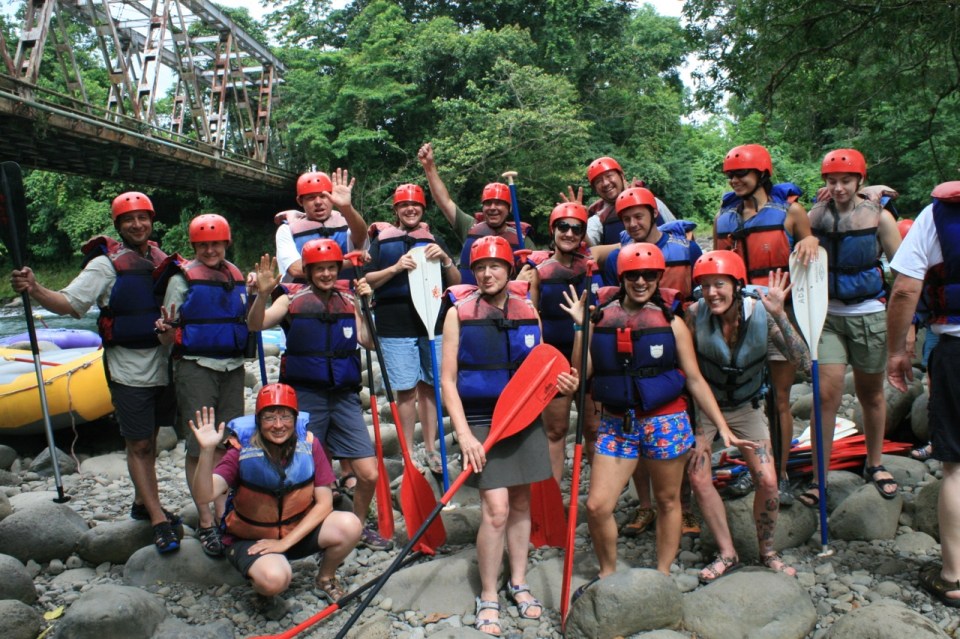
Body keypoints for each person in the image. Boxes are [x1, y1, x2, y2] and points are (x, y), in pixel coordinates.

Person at [559, 243, 751, 599]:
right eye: (634, 275)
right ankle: (608, 574)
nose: (641, 281)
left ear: (659, 277)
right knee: (597, 505)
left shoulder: (673, 322)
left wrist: (721, 426)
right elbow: (583, 372)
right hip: (617, 423)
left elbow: (693, 379)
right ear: (623, 278)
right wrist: (580, 328)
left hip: (666, 420)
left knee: (668, 501)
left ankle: (662, 575)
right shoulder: (599, 318)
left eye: (649, 275)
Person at [9, 191, 181, 553]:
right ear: (118, 226)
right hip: (127, 368)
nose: (137, 225)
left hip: (163, 366)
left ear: (152, 221)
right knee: (139, 443)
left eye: (142, 218)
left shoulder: (163, 261)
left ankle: (141, 502)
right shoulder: (105, 265)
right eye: (128, 220)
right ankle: (158, 519)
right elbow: (71, 304)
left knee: (149, 439)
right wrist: (35, 288)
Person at [440, 235, 578, 636]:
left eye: (495, 266)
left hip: (522, 416)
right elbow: (448, 382)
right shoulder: (459, 313)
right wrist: (464, 436)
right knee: (496, 509)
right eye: (480, 267)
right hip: (481, 420)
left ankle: (518, 581)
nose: (487, 273)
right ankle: (488, 593)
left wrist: (562, 385)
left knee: (520, 503)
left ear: (508, 270)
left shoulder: (527, 311)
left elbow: (541, 372)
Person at [247, 240, 393, 551]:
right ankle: (305, 525)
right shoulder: (291, 300)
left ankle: (356, 523)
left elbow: (367, 342)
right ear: (309, 271)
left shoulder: (348, 299)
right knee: (307, 471)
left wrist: (366, 307)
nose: (326, 274)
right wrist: (261, 295)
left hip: (344, 397)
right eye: (319, 268)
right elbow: (256, 324)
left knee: (368, 472)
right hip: (305, 397)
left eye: (331, 268)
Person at [684, 251, 811, 581]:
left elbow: (804, 363)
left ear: (737, 286)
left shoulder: (762, 315)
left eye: (720, 284)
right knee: (698, 477)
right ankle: (727, 552)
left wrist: (781, 315)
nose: (712, 292)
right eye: (706, 285)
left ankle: (767, 550)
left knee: (768, 481)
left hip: (746, 405)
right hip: (707, 407)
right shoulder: (694, 315)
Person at [188, 383, 362, 613]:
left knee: (350, 524)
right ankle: (263, 588)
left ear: (295, 418)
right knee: (275, 581)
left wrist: (284, 543)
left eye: (285, 417)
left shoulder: (310, 445)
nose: (278, 425)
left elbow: (325, 503)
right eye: (269, 418)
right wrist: (207, 451)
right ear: (259, 421)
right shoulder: (241, 450)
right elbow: (204, 495)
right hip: (251, 540)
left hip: (294, 532)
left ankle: (325, 578)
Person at [589, 187, 702, 537]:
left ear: (654, 214)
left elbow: (700, 287)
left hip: (672, 334)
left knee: (678, 428)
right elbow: (614, 299)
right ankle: (645, 505)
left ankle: (681, 506)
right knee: (629, 410)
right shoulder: (618, 257)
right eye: (626, 219)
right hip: (635, 340)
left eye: (639, 216)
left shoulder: (684, 246)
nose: (634, 223)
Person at [713, 143, 820, 506]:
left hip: (780, 316)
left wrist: (811, 240)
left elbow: (809, 245)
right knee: (751, 402)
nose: (736, 179)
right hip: (742, 319)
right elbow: (719, 269)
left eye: (742, 173)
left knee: (781, 400)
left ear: (762, 174)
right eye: (731, 174)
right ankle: (756, 469)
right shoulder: (724, 218)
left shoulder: (790, 213)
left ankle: (784, 472)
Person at [797, 149, 902, 507]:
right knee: (825, 396)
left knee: (870, 394)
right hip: (827, 316)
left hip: (869, 313)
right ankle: (819, 478)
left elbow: (902, 273)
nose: (839, 188)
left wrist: (909, 324)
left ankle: (874, 463)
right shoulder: (815, 216)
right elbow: (788, 222)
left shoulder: (880, 217)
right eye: (832, 181)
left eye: (846, 180)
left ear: (860, 180)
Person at [154, 214, 249, 557]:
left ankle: (226, 513)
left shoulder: (235, 274)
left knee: (227, 442)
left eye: (216, 243)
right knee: (200, 446)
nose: (210, 249)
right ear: (194, 246)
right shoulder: (182, 280)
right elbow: (168, 336)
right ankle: (207, 520)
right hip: (196, 367)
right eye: (203, 244)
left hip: (233, 366)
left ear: (226, 243)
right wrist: (164, 331)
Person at [887, 181, 960, 608]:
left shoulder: (939, 215)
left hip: (955, 347)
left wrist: (898, 350)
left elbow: (904, 289)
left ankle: (953, 577)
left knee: (955, 467)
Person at [364, 184, 460, 474]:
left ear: (422, 208)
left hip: (432, 322)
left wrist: (444, 259)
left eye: (415, 205)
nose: (410, 210)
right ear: (395, 210)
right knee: (406, 391)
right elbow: (368, 279)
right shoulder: (381, 241)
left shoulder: (434, 239)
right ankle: (407, 450)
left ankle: (430, 448)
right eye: (404, 206)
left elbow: (455, 283)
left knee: (430, 387)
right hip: (395, 325)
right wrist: (395, 268)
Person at [516, 202, 597, 482]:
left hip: (586, 353)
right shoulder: (537, 270)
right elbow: (529, 315)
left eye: (577, 229)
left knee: (593, 427)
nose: (570, 233)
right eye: (564, 226)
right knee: (556, 430)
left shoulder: (589, 268)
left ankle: (598, 492)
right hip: (553, 359)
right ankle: (552, 494)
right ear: (553, 230)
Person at [417, 142, 531, 285]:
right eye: (488, 203)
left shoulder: (522, 239)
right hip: (470, 301)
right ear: (482, 208)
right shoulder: (470, 226)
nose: (493, 207)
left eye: (499, 203)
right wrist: (429, 167)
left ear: (509, 209)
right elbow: (445, 202)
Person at [275, 169, 367, 284]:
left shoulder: (347, 222)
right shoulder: (287, 229)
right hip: (302, 298)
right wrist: (350, 262)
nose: (318, 202)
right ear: (300, 201)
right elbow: (295, 269)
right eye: (311, 197)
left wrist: (346, 208)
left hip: (345, 297)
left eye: (323, 196)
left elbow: (361, 237)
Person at [581, 155, 676, 247]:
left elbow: (678, 231)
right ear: (595, 189)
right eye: (598, 181)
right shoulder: (598, 219)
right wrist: (578, 221)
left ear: (622, 176)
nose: (605, 183)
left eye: (609, 176)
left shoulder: (651, 202)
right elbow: (589, 251)